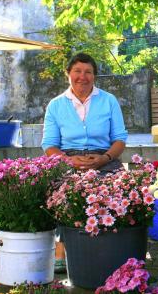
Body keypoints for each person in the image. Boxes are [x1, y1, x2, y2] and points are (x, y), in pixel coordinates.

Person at [41, 52, 128, 272]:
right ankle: (62, 252)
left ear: (95, 76)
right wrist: (69, 160)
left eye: (88, 72)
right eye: (77, 71)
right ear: (68, 73)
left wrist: (105, 158)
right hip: (67, 159)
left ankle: (108, 251)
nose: (83, 76)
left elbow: (120, 139)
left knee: (116, 194)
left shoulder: (108, 100)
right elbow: (49, 145)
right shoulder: (56, 105)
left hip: (104, 157)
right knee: (61, 195)